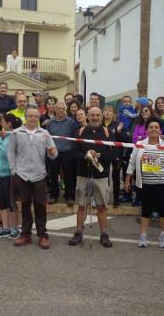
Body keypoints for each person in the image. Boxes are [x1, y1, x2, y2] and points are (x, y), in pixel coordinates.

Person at [7, 106, 58, 249]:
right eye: (30, 116)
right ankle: (26, 234)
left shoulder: (45, 133)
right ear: (25, 117)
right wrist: (14, 170)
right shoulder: (17, 133)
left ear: (38, 118)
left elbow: (53, 155)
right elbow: (11, 153)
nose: (33, 118)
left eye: (36, 116)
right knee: (25, 205)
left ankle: (43, 235)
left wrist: (53, 152)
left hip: (39, 175)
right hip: (22, 175)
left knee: (40, 206)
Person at [125, 118, 164, 248]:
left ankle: (163, 235)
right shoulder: (140, 144)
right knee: (146, 210)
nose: (154, 129)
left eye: (156, 127)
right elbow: (132, 161)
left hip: (163, 183)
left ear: (160, 130)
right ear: (147, 130)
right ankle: (143, 235)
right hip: (145, 183)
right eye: (151, 127)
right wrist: (128, 177)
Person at [69, 107, 115, 248]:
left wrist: (98, 156)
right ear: (87, 116)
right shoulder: (80, 132)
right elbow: (73, 154)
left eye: (97, 115)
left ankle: (104, 234)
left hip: (101, 175)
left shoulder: (108, 133)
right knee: (81, 204)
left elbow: (113, 155)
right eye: (92, 115)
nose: (95, 117)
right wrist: (85, 155)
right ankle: (78, 233)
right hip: (83, 173)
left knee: (101, 206)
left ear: (101, 117)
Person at [0, 114, 22, 239]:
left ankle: (15, 228)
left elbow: (5, 153)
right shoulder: (6, 136)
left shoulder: (13, 136)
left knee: (12, 202)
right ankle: (5, 227)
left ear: (9, 123)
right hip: (0, 173)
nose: (2, 124)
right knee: (2, 202)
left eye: (3, 121)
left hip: (10, 174)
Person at [45, 101, 79, 205]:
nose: (60, 110)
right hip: (53, 152)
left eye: (62, 109)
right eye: (58, 108)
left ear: (65, 110)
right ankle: (54, 195)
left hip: (67, 153)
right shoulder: (50, 123)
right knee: (53, 175)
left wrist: (71, 149)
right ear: (54, 110)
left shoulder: (71, 122)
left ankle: (70, 196)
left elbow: (75, 136)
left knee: (69, 175)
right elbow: (47, 137)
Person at [103, 105, 124, 207]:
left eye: (110, 111)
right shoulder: (100, 124)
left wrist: (120, 131)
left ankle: (116, 199)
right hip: (103, 154)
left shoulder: (117, 124)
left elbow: (123, 139)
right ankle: (105, 198)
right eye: (106, 110)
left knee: (115, 178)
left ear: (113, 113)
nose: (107, 112)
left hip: (115, 154)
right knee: (105, 177)